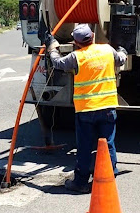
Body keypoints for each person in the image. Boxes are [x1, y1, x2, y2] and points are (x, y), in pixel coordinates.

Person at [43, 23, 127, 193]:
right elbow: (121, 59)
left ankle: (80, 182)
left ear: (76, 42)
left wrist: (52, 46)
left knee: (85, 146)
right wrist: (123, 48)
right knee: (107, 144)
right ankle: (108, 178)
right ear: (93, 37)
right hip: (107, 107)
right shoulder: (107, 50)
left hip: (86, 110)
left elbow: (58, 63)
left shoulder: (76, 57)